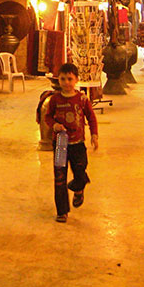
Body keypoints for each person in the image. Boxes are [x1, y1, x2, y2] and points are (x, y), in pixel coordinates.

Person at [43, 62, 99, 223]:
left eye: (70, 79)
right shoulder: (54, 99)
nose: (66, 83)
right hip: (60, 144)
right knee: (59, 178)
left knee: (81, 172)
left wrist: (94, 134)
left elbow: (91, 117)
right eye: (63, 79)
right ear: (58, 81)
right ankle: (62, 211)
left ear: (76, 80)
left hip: (78, 144)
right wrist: (54, 125)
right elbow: (47, 116)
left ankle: (78, 188)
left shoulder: (82, 99)